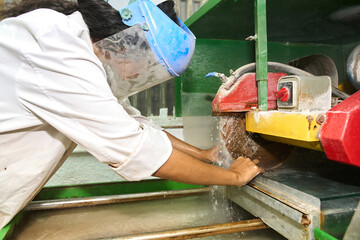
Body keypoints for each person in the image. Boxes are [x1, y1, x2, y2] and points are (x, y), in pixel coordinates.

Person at [0, 0, 264, 229]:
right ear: (128, 43)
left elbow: (133, 122)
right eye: (149, 61)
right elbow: (134, 148)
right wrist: (233, 177)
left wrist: (202, 154)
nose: (142, 73)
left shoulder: (77, 49)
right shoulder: (56, 47)